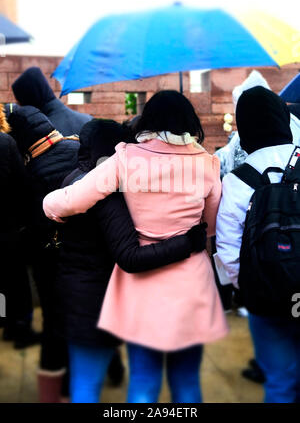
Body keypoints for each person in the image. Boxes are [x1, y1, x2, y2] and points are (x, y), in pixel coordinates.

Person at [43, 90, 229, 403]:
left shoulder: (126, 158)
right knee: (186, 382)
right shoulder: (208, 165)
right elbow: (208, 229)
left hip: (142, 286)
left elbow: (73, 199)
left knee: (143, 381)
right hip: (193, 286)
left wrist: (49, 206)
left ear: (148, 119)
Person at [216, 86, 300, 403]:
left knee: (279, 383)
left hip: (266, 300)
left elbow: (227, 249)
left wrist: (248, 288)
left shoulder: (237, 180)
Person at [5, 104, 80, 402]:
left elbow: (31, 220)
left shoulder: (30, 171)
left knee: (54, 324)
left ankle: (55, 392)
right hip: (87, 258)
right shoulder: (79, 150)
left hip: (49, 260)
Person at [0, 104, 34, 346]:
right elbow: (22, 185)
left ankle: (2, 319)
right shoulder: (6, 143)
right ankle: (17, 327)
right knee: (15, 279)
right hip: (7, 225)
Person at [11, 67, 92, 136]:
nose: (20, 106)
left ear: (28, 99)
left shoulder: (39, 133)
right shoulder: (88, 120)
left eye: (19, 102)